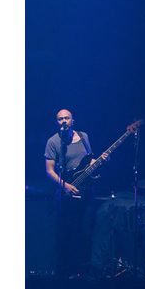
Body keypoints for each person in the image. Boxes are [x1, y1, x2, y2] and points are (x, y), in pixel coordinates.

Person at [44, 109, 109, 278]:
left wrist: (100, 161)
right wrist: (65, 186)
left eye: (66, 118)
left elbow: (89, 161)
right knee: (68, 231)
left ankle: (85, 270)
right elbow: (50, 171)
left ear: (72, 121)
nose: (64, 121)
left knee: (86, 230)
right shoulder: (53, 142)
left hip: (86, 192)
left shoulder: (83, 137)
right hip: (66, 193)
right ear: (57, 122)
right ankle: (67, 270)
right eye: (60, 119)